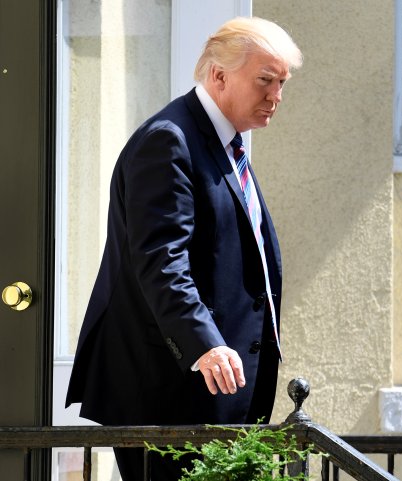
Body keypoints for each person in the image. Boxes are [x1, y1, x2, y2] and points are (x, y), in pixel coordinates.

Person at [65, 16, 302, 481]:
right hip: (173, 387)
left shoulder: (225, 144)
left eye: (282, 83)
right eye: (265, 80)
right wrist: (207, 347)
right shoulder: (169, 141)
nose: (276, 96)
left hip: (222, 383)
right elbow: (161, 263)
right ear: (218, 75)